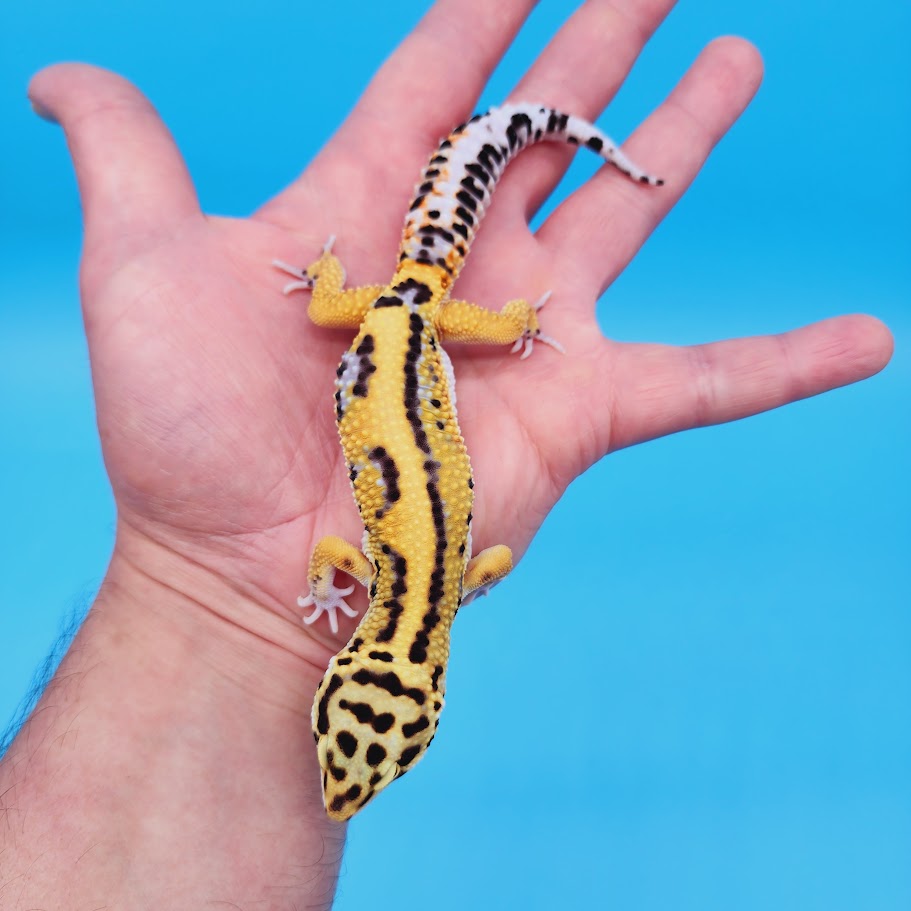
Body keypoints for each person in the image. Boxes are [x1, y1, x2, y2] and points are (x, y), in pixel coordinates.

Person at [0, 0, 892, 906]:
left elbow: (485, 558)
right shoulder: (376, 577)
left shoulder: (450, 584)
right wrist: (316, 595)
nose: (342, 784)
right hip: (409, 327)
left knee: (364, 304)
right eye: (367, 764)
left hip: (410, 328)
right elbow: (332, 560)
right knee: (339, 305)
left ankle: (501, 173)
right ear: (409, 708)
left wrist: (472, 569)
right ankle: (496, 166)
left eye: (343, 751)